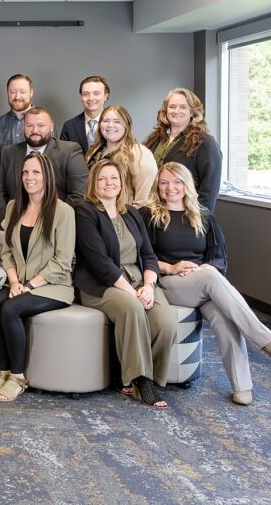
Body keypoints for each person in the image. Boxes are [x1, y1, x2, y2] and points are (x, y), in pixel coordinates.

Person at [142, 163, 271, 406]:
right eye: (164, 182)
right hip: (168, 283)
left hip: (202, 283)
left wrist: (204, 270)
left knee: (224, 317)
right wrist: (171, 267)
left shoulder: (203, 215)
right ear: (157, 186)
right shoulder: (148, 215)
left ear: (186, 185)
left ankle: (242, 387)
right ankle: (265, 339)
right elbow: (144, 257)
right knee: (211, 279)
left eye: (177, 182)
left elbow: (218, 257)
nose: (171, 188)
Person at [74, 160, 176, 409]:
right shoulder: (85, 212)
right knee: (132, 307)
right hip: (101, 284)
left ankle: (150, 376)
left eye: (114, 178)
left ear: (121, 183)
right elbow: (99, 262)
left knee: (166, 321)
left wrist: (149, 287)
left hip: (139, 280)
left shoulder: (132, 213)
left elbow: (148, 255)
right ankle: (140, 380)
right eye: (102, 178)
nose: (108, 183)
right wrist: (133, 292)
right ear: (93, 183)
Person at [0, 153, 75, 402]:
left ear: (47, 176)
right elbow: (7, 252)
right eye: (25, 172)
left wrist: (29, 285)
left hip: (52, 286)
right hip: (19, 283)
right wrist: (14, 282)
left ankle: (18, 377)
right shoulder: (14, 206)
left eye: (35, 172)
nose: (29, 177)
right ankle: (3, 372)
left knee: (10, 309)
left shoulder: (63, 211)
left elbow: (63, 261)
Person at [0, 107, 87, 221]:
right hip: (13, 222)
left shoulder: (69, 151)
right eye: (29, 125)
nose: (35, 130)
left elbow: (77, 195)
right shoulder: (8, 152)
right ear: (23, 127)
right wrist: (5, 220)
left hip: (54, 223)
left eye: (41, 125)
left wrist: (51, 222)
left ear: (51, 127)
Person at [144, 87, 223, 212]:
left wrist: (199, 217)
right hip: (154, 210)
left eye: (183, 107)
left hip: (185, 214)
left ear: (192, 112)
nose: (176, 111)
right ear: (166, 110)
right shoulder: (156, 138)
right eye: (172, 107)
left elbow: (210, 188)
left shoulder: (204, 142)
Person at [85, 105, 158, 207]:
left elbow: (143, 199)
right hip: (93, 211)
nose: (110, 125)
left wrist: (132, 215)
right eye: (106, 121)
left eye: (117, 121)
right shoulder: (95, 150)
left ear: (126, 125)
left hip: (122, 213)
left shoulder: (139, 153)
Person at [0, 73, 34, 169]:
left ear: (31, 92)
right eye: (12, 92)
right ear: (7, 93)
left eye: (22, 92)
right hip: (5, 179)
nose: (17, 97)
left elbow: (54, 160)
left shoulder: (45, 123)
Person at [60, 75, 110, 154]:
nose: (91, 98)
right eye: (85, 94)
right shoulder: (69, 126)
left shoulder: (117, 124)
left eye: (96, 93)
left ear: (106, 96)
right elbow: (63, 157)